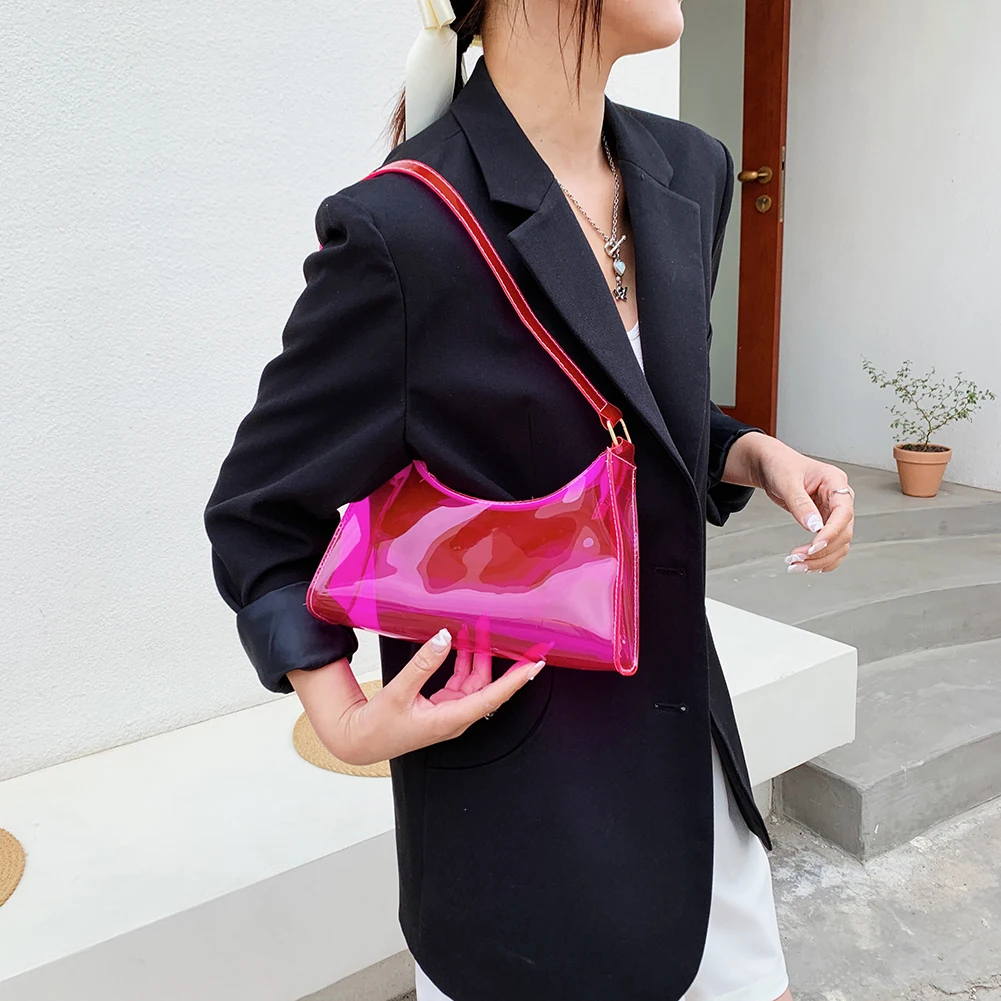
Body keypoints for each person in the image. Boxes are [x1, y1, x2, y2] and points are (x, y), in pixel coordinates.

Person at [205, 0, 855, 998]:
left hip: (691, 770)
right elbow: (258, 510)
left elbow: (633, 414)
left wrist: (748, 452)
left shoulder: (690, 169)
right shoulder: (404, 228)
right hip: (524, 815)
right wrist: (340, 714)